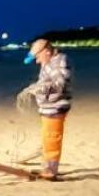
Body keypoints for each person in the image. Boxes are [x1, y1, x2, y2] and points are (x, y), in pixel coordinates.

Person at [25, 39, 72, 180]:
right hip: (47, 108)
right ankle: (47, 167)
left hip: (55, 107)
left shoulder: (59, 61)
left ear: (47, 51)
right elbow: (46, 81)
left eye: (38, 57)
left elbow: (60, 84)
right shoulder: (48, 62)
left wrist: (38, 88)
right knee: (47, 138)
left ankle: (51, 171)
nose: (37, 61)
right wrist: (35, 87)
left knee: (52, 138)